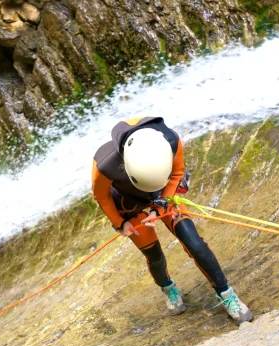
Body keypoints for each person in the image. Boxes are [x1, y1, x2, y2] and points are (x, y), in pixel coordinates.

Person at [92, 116, 253, 324]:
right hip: (129, 204)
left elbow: (177, 173)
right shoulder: (104, 163)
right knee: (155, 256)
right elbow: (101, 195)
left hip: (163, 193)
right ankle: (168, 288)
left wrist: (160, 206)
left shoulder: (169, 140)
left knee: (195, 244)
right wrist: (120, 223)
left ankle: (226, 294)